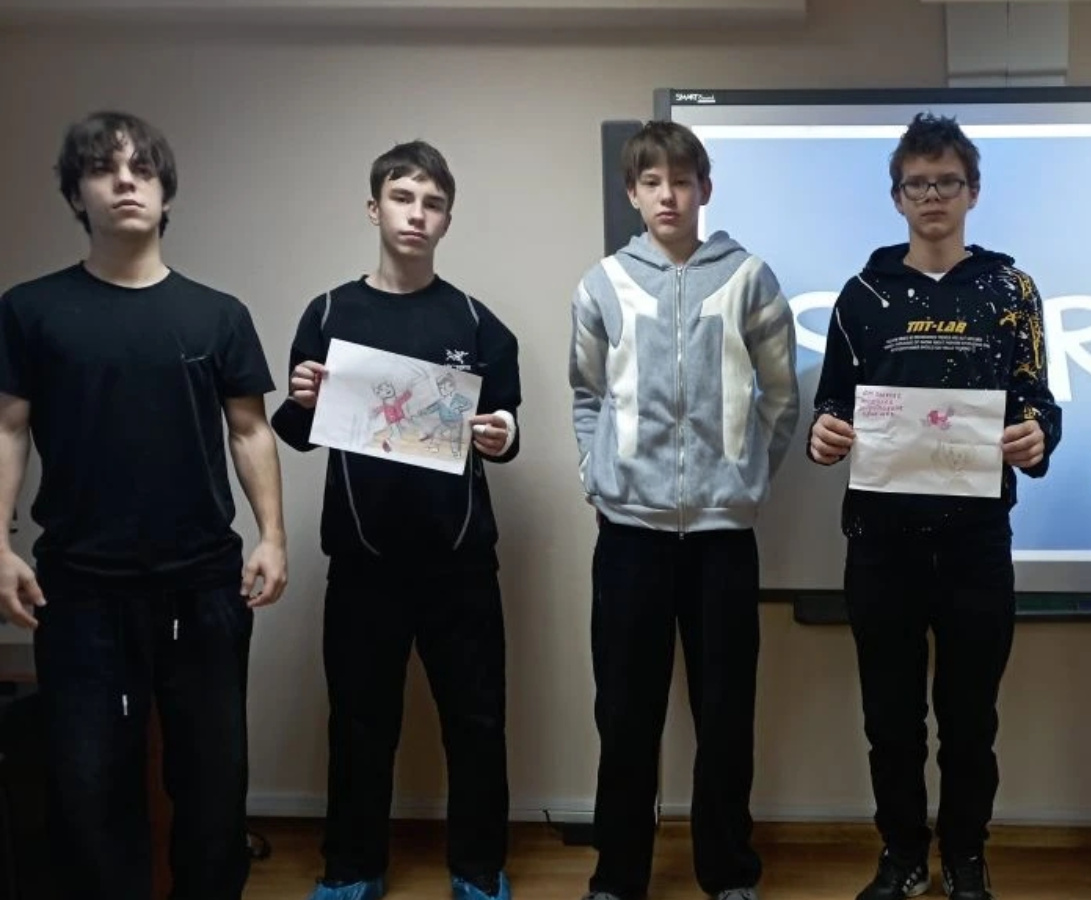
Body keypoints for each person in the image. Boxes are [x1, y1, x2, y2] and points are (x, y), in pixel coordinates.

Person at [0, 110, 288, 899]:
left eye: (142, 170)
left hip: (204, 586)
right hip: (79, 588)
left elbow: (250, 430)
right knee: (89, 788)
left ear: (165, 194)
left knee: (213, 785)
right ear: (77, 195)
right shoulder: (30, 310)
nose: (125, 182)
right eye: (104, 169)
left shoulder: (218, 314)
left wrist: (273, 537)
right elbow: (9, 429)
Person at [806, 112, 1062, 900]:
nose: (932, 197)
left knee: (970, 721)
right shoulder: (861, 295)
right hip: (880, 543)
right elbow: (832, 404)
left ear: (972, 191)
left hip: (975, 543)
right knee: (890, 720)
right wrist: (825, 434)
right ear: (897, 197)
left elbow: (1038, 402)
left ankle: (967, 856)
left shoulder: (1012, 291)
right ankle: (902, 854)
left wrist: (1036, 436)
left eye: (947, 182)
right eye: (917, 184)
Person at [271, 140, 521, 900]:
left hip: (460, 562)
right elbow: (297, 431)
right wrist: (302, 399)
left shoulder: (477, 323)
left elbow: (504, 431)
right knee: (357, 724)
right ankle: (351, 870)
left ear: (448, 219)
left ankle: (478, 870)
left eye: (432, 203)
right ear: (373, 207)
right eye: (403, 198)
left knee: (477, 724)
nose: (417, 214)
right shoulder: (329, 313)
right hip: (362, 562)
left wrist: (504, 433)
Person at [567, 119, 799, 900]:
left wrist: (745, 480)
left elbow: (780, 397)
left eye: (682, 180)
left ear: (705, 188)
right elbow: (586, 394)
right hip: (628, 536)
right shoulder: (602, 284)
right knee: (624, 715)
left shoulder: (749, 279)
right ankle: (618, 874)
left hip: (721, 540)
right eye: (652, 182)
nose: (668, 195)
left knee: (726, 716)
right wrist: (597, 474)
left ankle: (728, 872)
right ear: (632, 193)